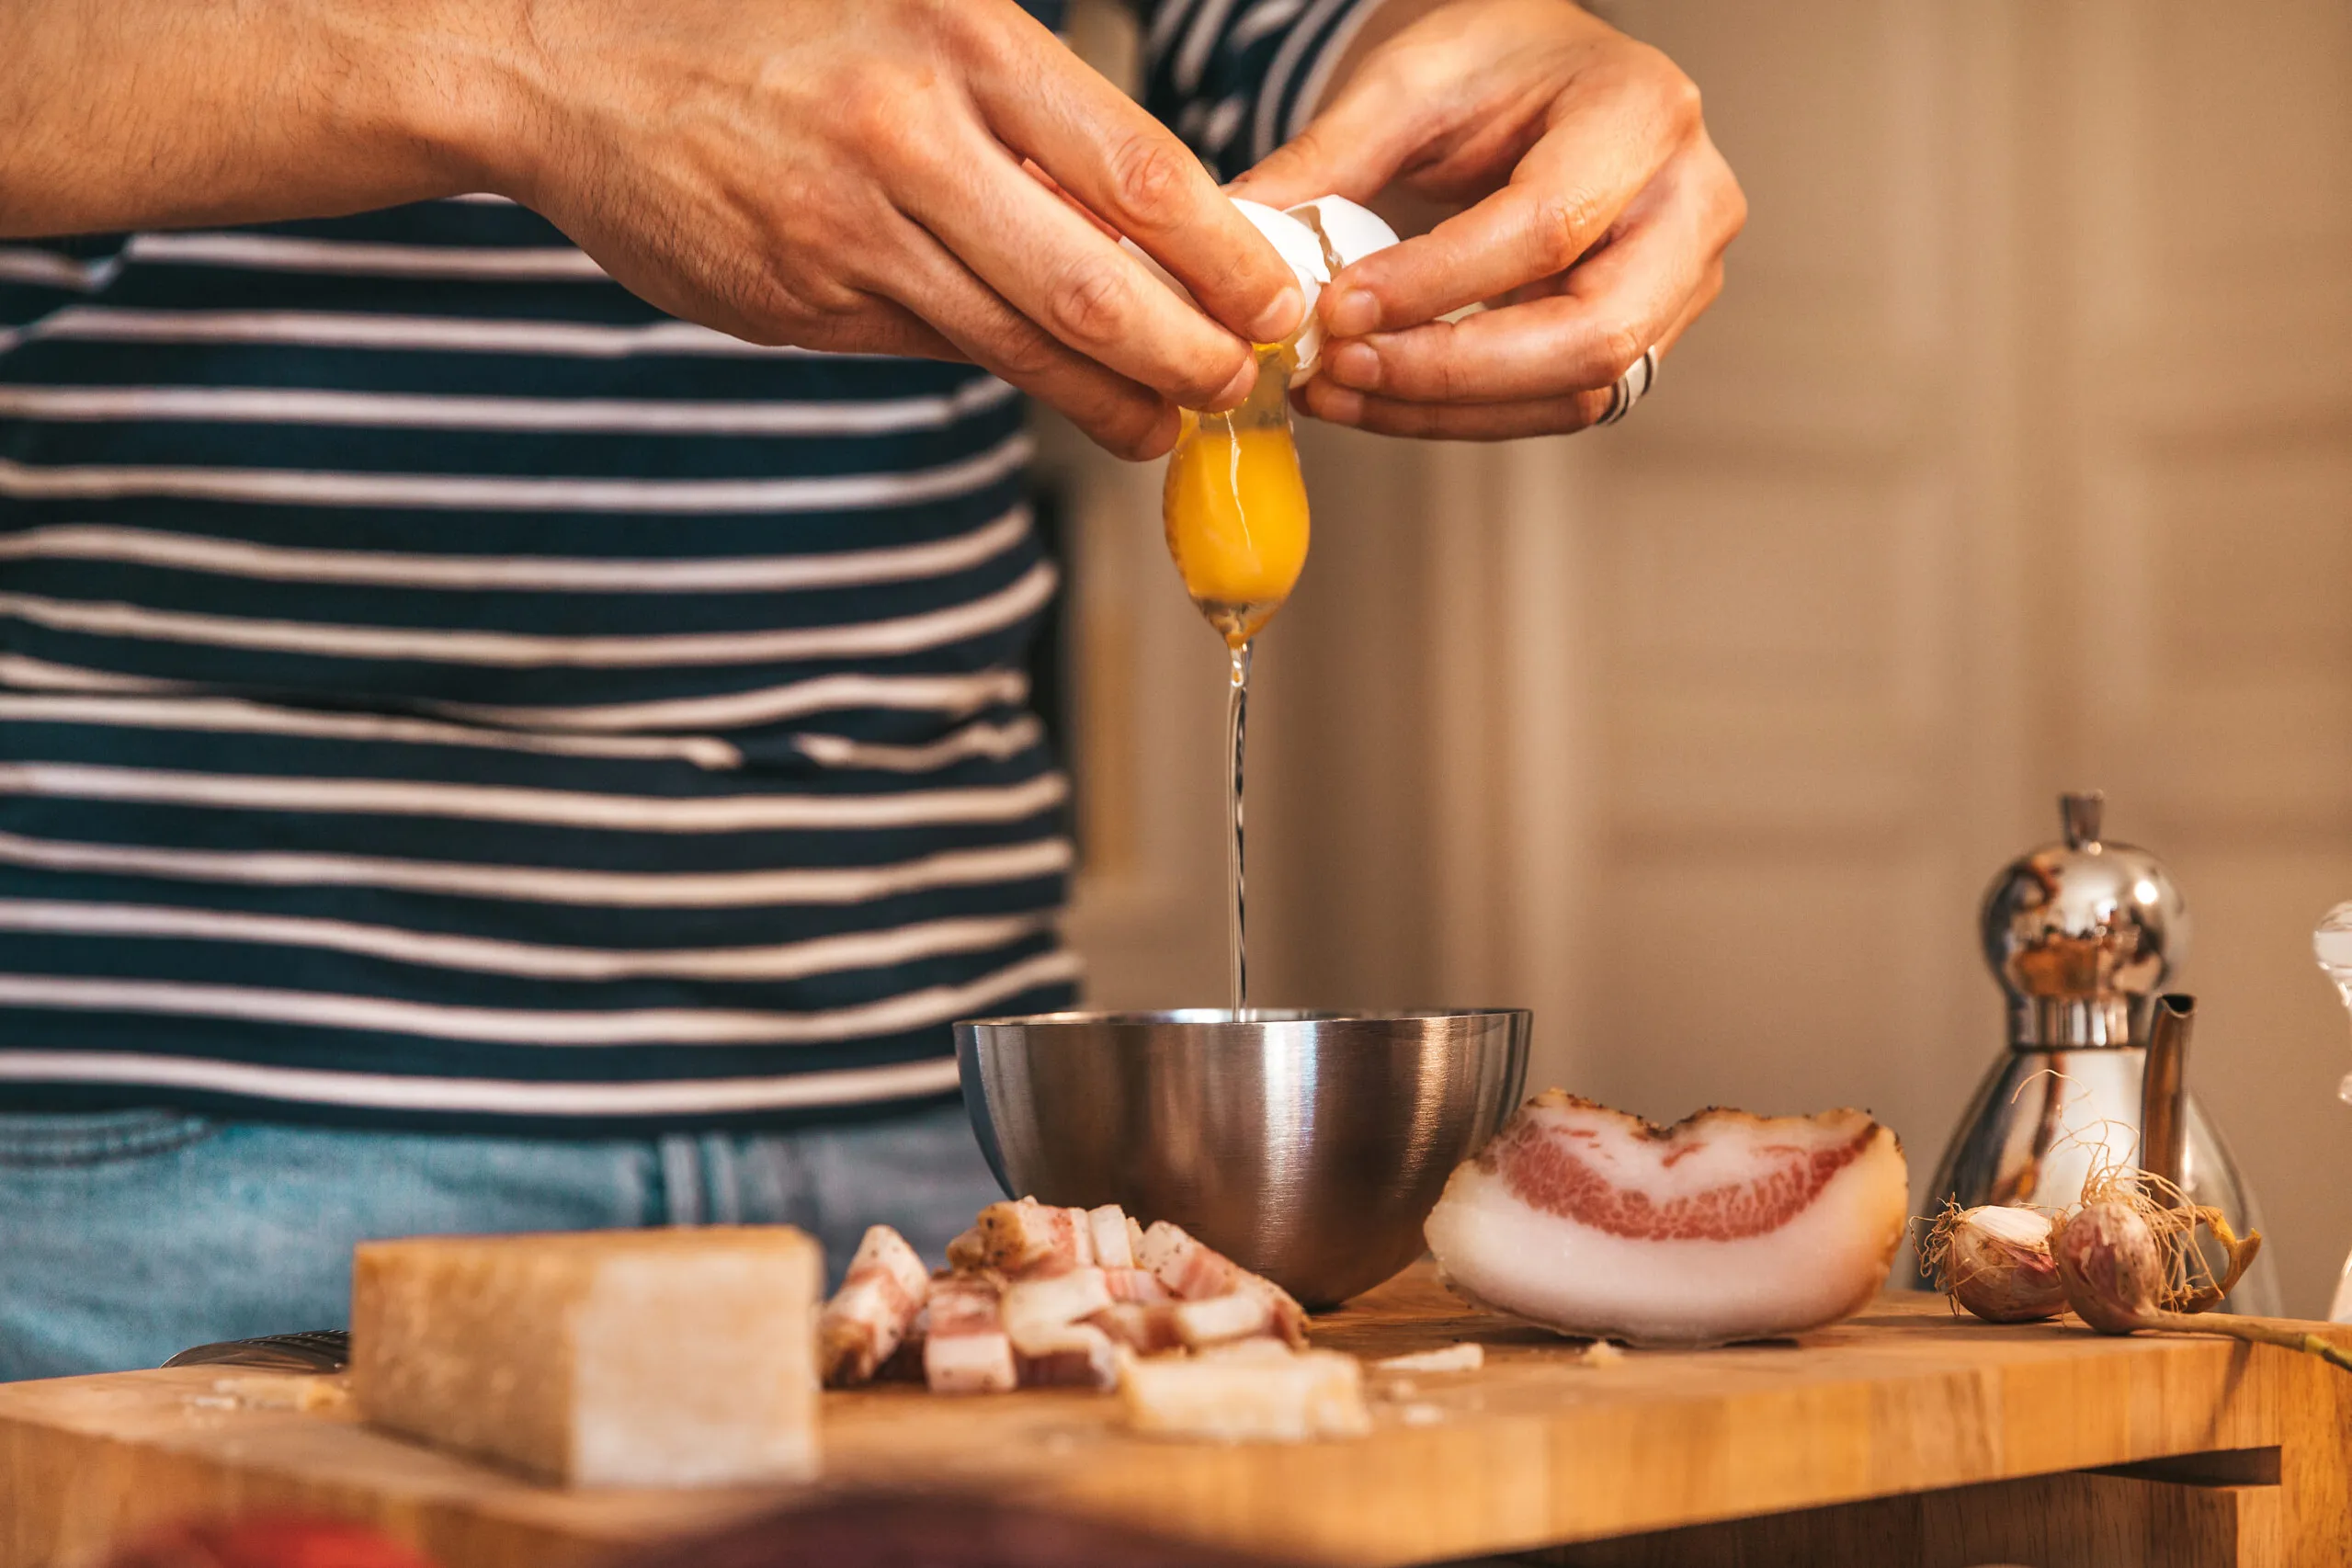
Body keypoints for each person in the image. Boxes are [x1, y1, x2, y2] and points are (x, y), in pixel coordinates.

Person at [0, 0, 1742, 1378]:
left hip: (946, 1115)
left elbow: (1299, 26)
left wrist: (1484, 60)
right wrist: (528, 63)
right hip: (179, 1105)